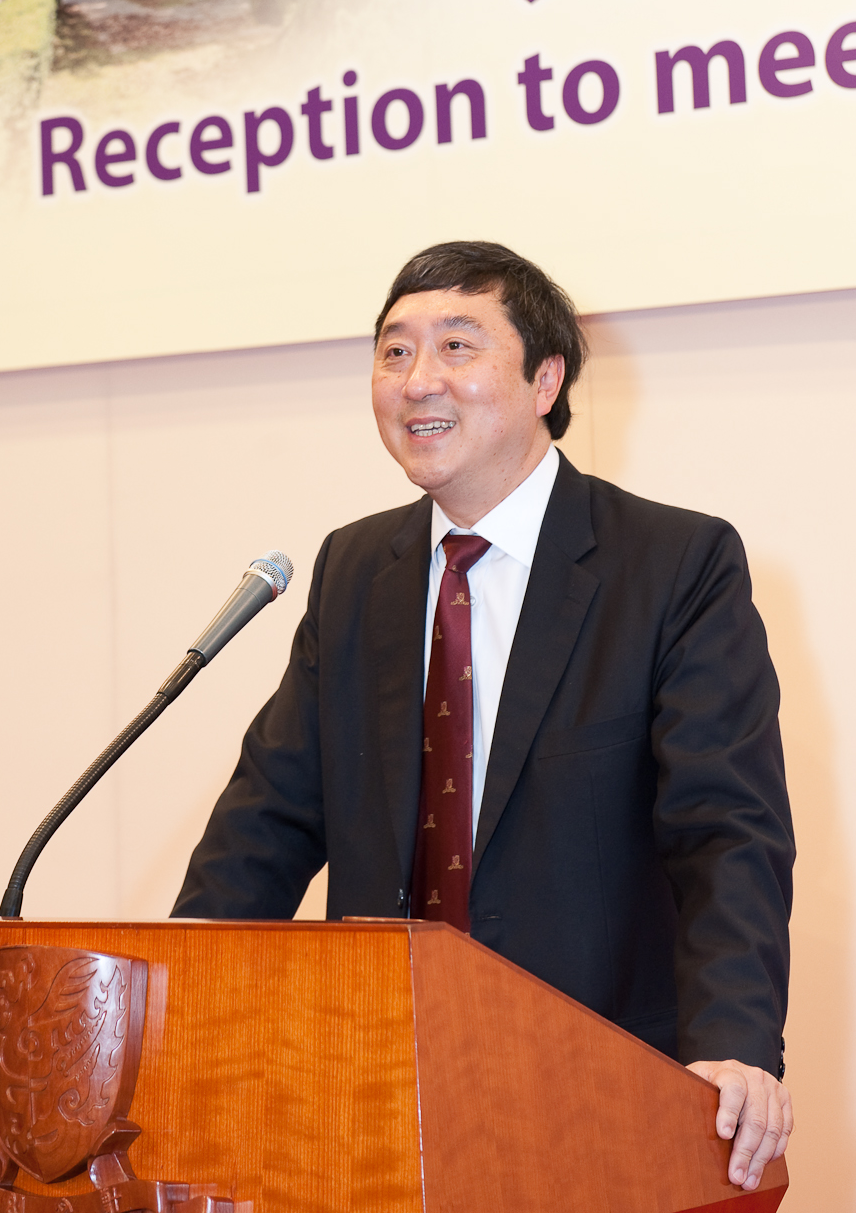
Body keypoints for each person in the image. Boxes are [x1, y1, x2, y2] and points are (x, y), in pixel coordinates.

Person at [173, 240, 794, 1191]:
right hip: (374, 1088)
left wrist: (736, 1041)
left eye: (458, 347)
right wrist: (174, 1014)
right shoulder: (354, 572)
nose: (418, 380)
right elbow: (269, 818)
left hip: (599, 1083)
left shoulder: (672, 565)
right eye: (393, 352)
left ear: (546, 378)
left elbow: (728, 831)